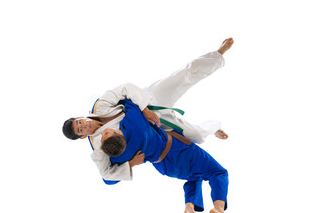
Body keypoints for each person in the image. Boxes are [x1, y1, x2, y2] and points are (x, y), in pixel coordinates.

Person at [62, 38, 234, 183]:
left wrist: (144, 110)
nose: (83, 125)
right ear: (83, 136)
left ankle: (218, 55)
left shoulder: (99, 105)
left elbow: (126, 88)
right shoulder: (99, 145)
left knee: (184, 75)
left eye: (79, 121)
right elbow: (106, 176)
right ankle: (213, 128)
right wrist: (130, 165)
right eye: (80, 129)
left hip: (148, 101)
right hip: (155, 129)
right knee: (196, 136)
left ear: (81, 117)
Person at [100, 99, 230, 213]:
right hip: (177, 150)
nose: (102, 132)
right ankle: (219, 209)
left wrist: (131, 163)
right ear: (119, 132)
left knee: (194, 175)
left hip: (164, 167)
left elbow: (108, 179)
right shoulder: (135, 124)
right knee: (218, 172)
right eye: (106, 133)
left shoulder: (120, 155)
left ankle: (189, 209)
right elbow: (129, 100)